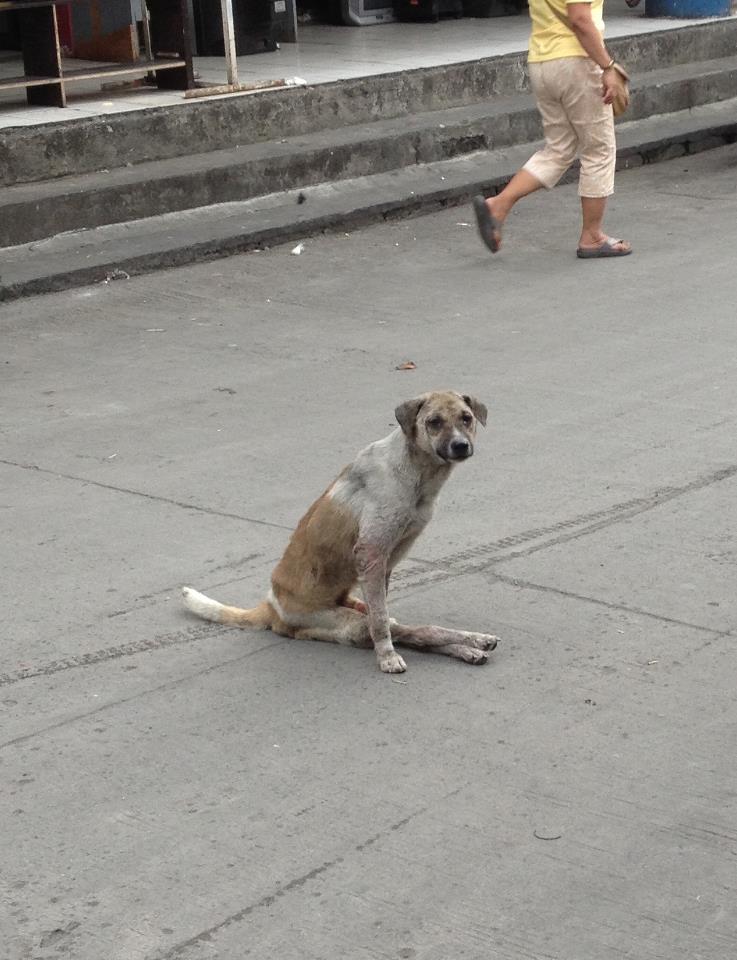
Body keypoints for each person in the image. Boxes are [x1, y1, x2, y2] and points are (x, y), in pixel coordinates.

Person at [473, 0, 631, 258]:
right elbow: (580, 18)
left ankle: (499, 205)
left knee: (558, 150)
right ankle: (592, 236)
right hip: (576, 62)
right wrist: (608, 66)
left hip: (543, 62)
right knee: (599, 149)